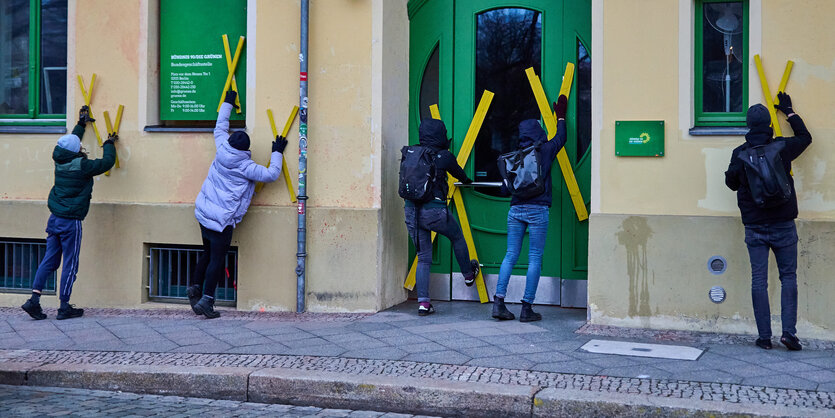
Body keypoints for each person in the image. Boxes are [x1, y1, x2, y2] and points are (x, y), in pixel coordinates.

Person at [187, 90, 286, 318]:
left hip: (204, 213)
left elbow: (220, 125)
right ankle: (207, 301)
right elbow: (272, 174)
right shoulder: (246, 166)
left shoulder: (222, 146)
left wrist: (228, 102)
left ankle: (194, 286)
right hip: (222, 221)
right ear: (245, 150)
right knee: (217, 259)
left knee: (206, 252)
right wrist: (277, 152)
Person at [725, 92, 811, 350]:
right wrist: (790, 112)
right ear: (770, 126)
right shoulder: (782, 148)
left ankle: (764, 337)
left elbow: (730, 184)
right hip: (784, 224)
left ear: (748, 127)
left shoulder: (739, 153)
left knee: (758, 279)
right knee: (789, 277)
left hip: (755, 227)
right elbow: (806, 139)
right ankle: (788, 334)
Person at [21, 106, 116, 320]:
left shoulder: (59, 159)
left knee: (49, 260)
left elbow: (71, 141)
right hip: (71, 221)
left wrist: (81, 124)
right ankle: (64, 306)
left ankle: (34, 300)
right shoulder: (82, 166)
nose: (81, 147)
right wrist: (109, 144)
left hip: (54, 218)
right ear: (77, 150)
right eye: (80, 146)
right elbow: (106, 162)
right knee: (70, 263)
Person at [492, 95, 568, 322]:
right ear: (538, 132)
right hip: (538, 210)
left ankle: (499, 303)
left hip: (515, 210)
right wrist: (561, 116)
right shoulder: (544, 150)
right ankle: (527, 308)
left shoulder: (514, 156)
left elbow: (507, 187)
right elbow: (561, 138)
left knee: (510, 255)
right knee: (534, 258)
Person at [405, 119, 479, 316]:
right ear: (440, 135)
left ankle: (423, 303)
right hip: (434, 212)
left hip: (412, 211)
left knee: (423, 258)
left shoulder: (412, 154)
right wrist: (468, 181)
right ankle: (469, 275)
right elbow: (460, 175)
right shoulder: (444, 156)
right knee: (456, 237)